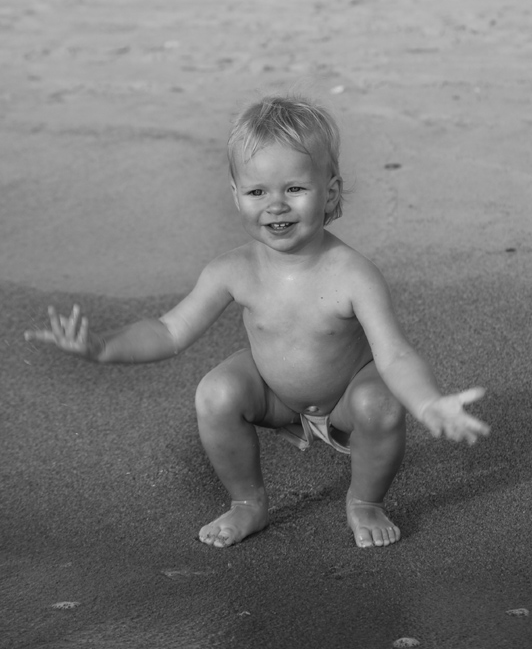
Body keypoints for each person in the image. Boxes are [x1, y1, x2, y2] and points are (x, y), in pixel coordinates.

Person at [24, 95, 490, 549]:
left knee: (381, 403)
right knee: (216, 392)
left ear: (329, 192)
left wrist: (426, 402)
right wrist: (103, 347)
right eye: (257, 191)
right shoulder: (233, 269)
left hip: (345, 395)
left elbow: (395, 354)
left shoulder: (353, 275)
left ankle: (366, 502)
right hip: (275, 395)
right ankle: (247, 502)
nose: (276, 205)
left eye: (294, 189)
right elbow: (169, 331)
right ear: (236, 196)